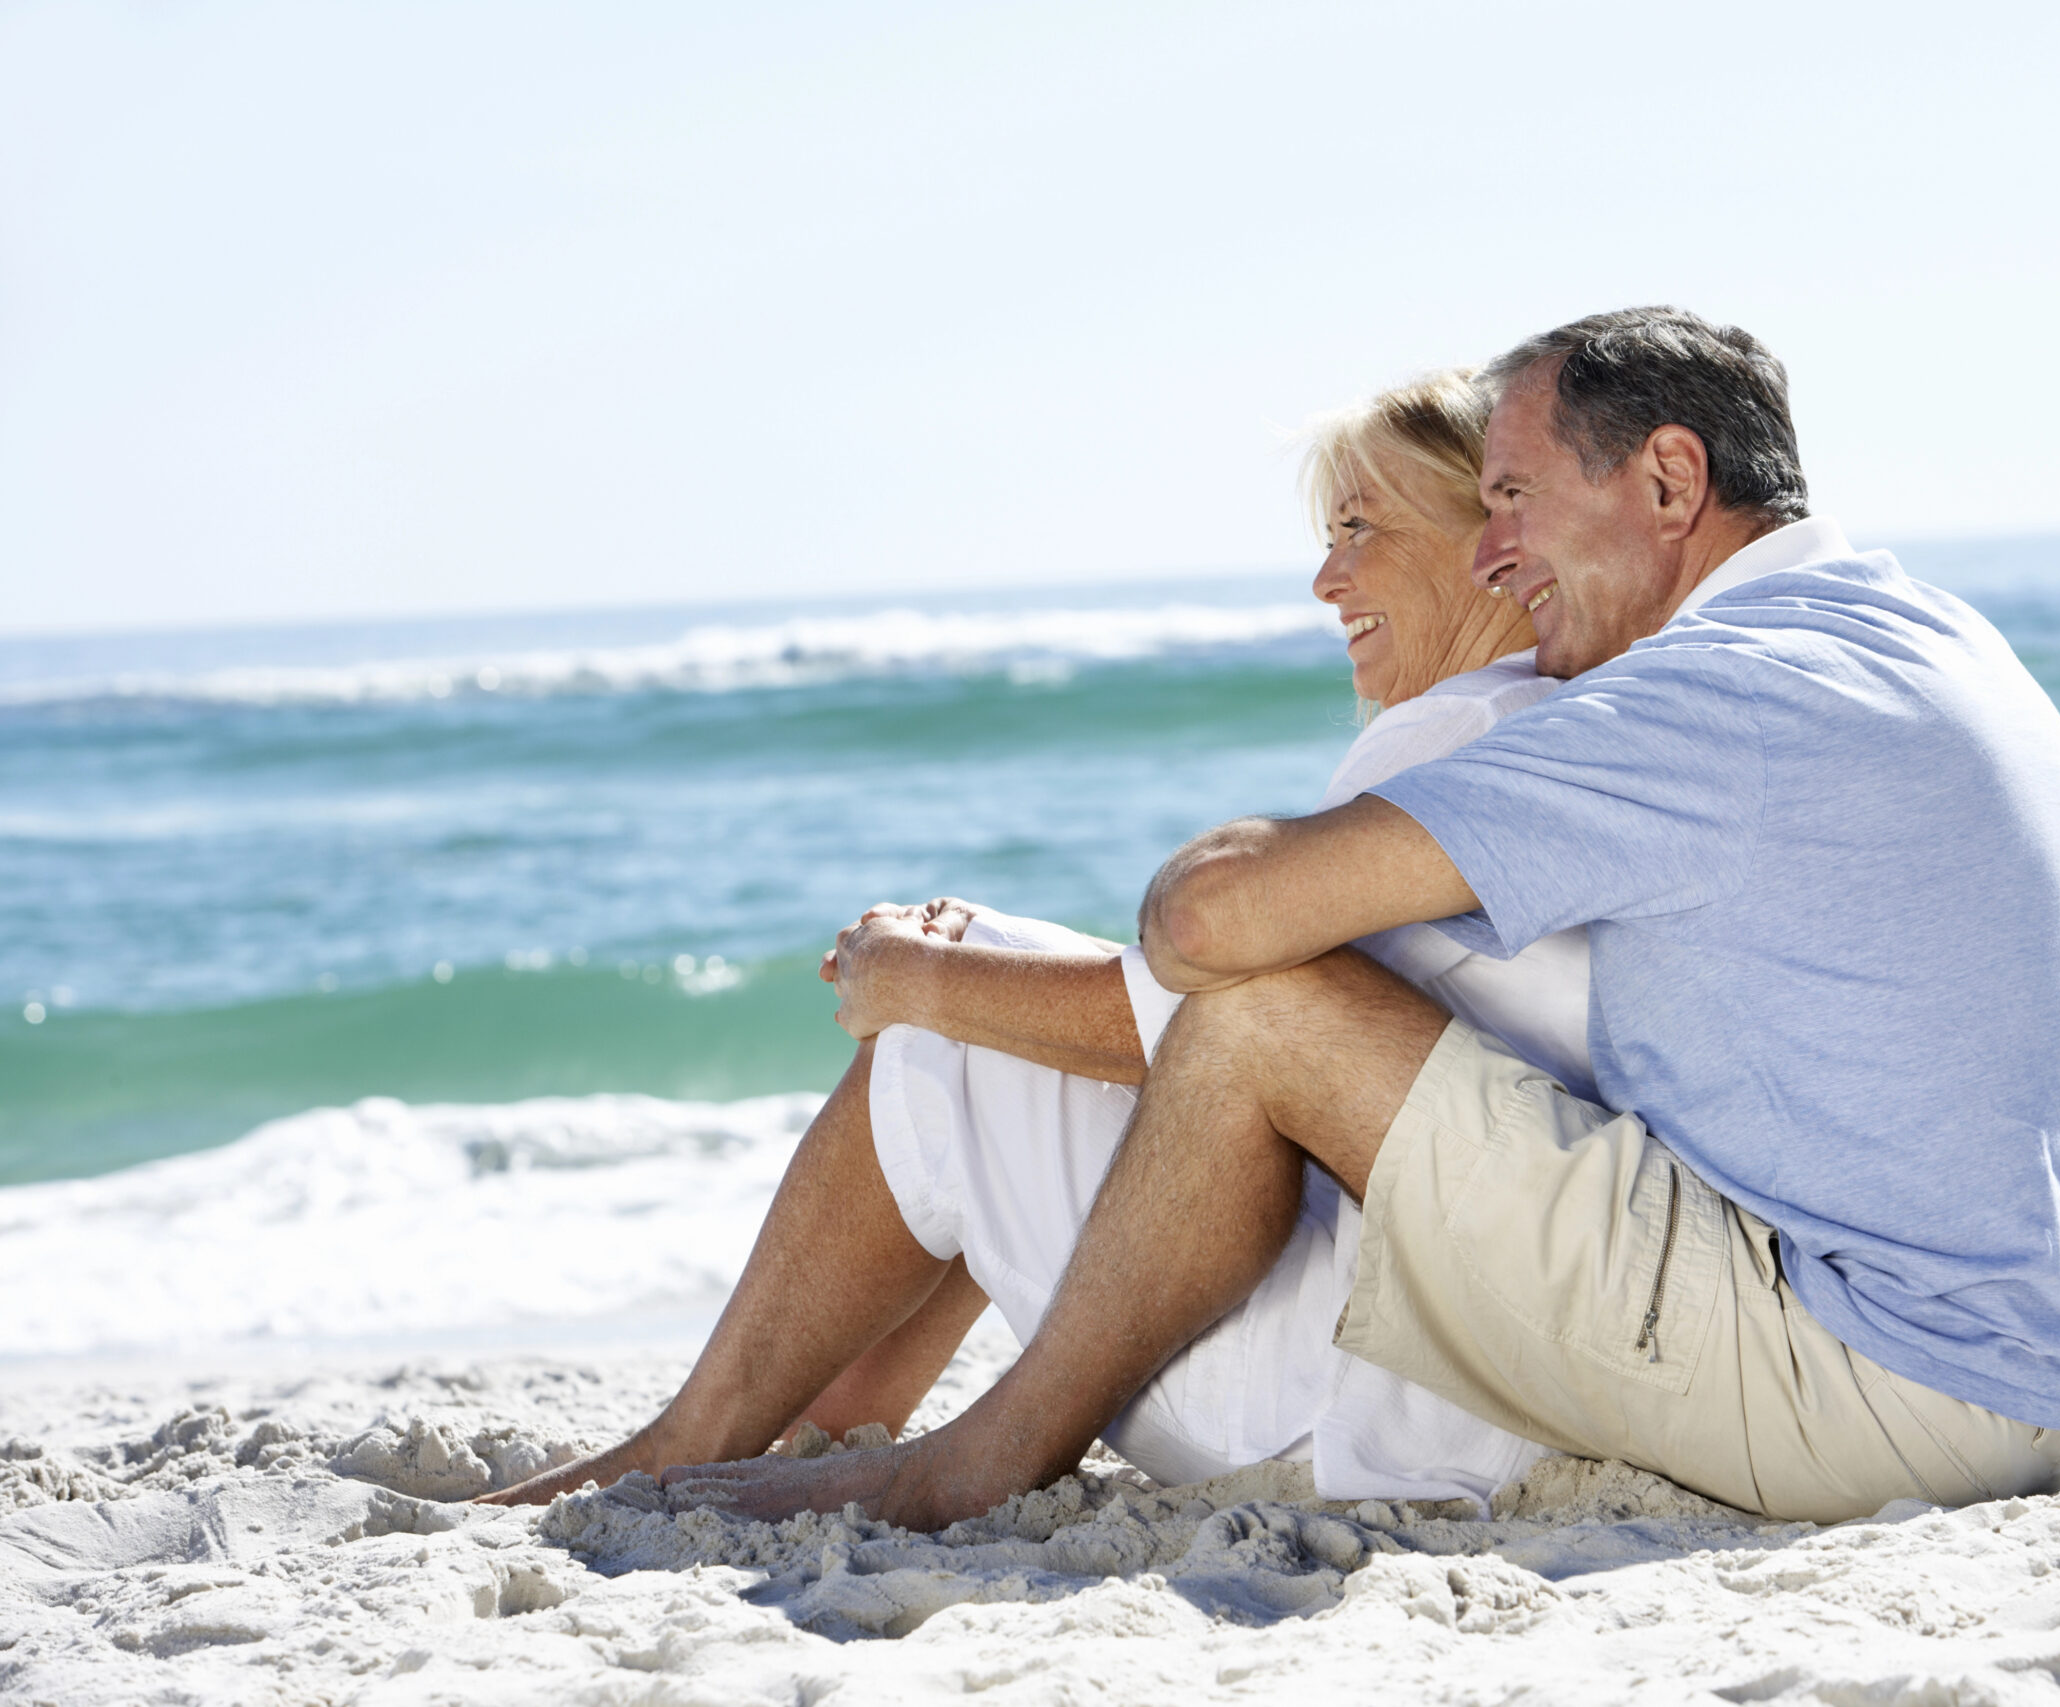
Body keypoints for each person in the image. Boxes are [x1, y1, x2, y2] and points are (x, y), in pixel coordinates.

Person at [648, 305, 2060, 1533]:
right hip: (2044, 1358)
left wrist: (1036, 933)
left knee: (1245, 1010)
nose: (1502, 548)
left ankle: (970, 1458)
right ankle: (836, 1424)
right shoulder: (1912, 629)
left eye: (1514, 499)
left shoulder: (1689, 703)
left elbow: (1213, 931)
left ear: (1673, 483)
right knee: (1090, 1018)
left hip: (1893, 1388)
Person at [489, 369, 1597, 1511]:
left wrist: (918, 977)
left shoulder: (1457, 737)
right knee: (986, 1000)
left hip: (1328, 1397)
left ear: (1492, 536)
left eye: (1363, 528)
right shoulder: (1551, 735)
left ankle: (691, 1440)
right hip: (1448, 1382)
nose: (1327, 579)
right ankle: (809, 1439)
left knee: (940, 1044)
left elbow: (1226, 1039)